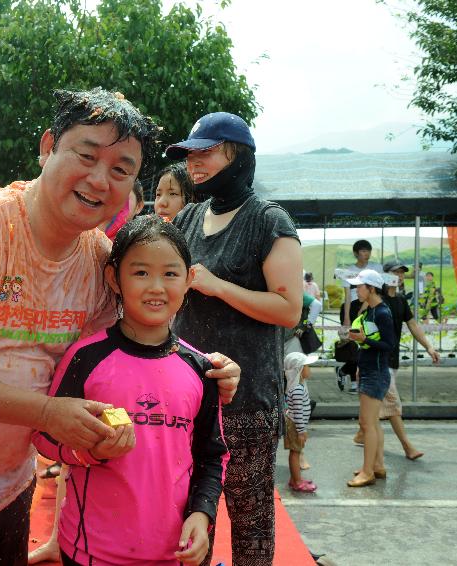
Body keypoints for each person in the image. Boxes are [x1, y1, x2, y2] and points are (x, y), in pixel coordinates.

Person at [0, 88, 240, 565]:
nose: (100, 179)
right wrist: (47, 413)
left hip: (7, 488)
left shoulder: (98, 259)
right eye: (86, 155)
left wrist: (207, 370)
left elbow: (124, 353)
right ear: (47, 147)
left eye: (121, 169)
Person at [32, 215, 228, 566]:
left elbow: (212, 456)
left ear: (189, 280)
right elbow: (45, 436)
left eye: (170, 273)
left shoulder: (200, 369)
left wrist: (203, 514)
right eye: (140, 273)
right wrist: (91, 451)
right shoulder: (86, 357)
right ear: (114, 278)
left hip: (174, 554)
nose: (156, 287)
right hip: (91, 552)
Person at [166, 111, 303, 565]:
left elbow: (289, 310)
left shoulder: (269, 220)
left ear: (238, 157)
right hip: (187, 398)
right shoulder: (187, 217)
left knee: (250, 524)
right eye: (189, 155)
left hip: (247, 403)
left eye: (205, 152)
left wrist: (219, 286)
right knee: (188, 520)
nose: (193, 163)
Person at [352, 260, 437, 460]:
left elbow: (414, 325)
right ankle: (407, 447)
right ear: (385, 276)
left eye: (401, 273)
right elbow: (359, 323)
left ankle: (364, 436)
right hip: (380, 363)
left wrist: (429, 346)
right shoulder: (376, 300)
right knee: (393, 405)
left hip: (391, 359)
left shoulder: (400, 301)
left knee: (376, 409)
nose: (399, 276)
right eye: (395, 272)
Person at [345, 269, 397, 488]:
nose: (357, 290)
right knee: (372, 423)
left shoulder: (382, 313)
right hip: (368, 369)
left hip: (376, 373)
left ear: (371, 288)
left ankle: (368, 472)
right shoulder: (370, 311)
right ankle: (377, 466)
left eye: (359, 286)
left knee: (367, 423)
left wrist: (365, 338)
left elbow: (389, 345)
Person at [336, 240, 382, 394]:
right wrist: (348, 318)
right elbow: (347, 295)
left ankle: (344, 371)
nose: (366, 253)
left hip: (368, 305)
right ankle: (355, 382)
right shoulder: (349, 271)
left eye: (368, 250)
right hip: (352, 306)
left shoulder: (376, 268)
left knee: (366, 342)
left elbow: (375, 292)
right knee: (352, 344)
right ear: (356, 253)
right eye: (363, 251)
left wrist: (363, 310)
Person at [284, 352, 318, 493]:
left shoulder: (298, 386)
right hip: (295, 425)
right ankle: (297, 482)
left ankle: (294, 479)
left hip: (294, 424)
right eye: (307, 366)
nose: (309, 369)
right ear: (299, 370)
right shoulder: (297, 389)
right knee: (295, 452)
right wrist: (301, 431)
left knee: (296, 452)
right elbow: (298, 413)